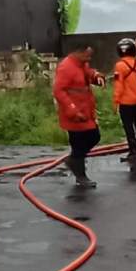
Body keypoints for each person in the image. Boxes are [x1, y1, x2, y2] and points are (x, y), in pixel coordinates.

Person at [53, 41, 105, 187]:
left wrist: (96, 76)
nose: (89, 59)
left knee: (93, 137)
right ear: (79, 52)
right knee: (79, 144)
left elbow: (87, 73)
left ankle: (74, 163)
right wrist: (72, 110)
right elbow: (58, 91)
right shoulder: (66, 67)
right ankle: (80, 174)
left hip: (85, 111)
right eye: (87, 56)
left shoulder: (81, 65)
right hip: (74, 115)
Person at [112, 38, 136, 162]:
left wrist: (115, 101)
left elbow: (119, 85)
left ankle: (133, 150)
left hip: (126, 103)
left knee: (129, 127)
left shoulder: (119, 66)